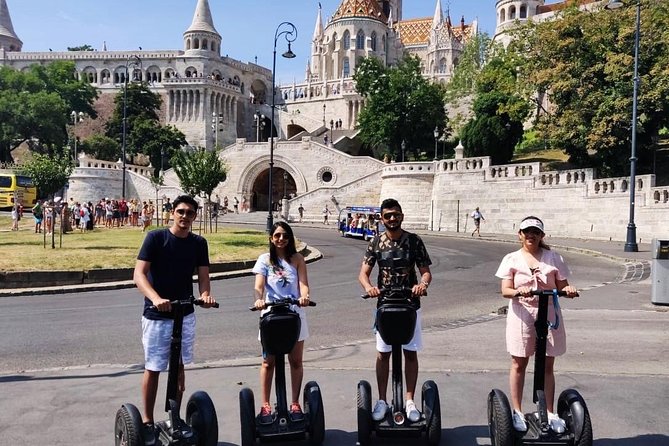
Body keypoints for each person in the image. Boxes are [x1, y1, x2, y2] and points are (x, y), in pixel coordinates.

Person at [133, 195, 217, 446]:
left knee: (178, 367)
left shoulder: (199, 243)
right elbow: (139, 274)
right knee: (154, 367)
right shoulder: (156, 238)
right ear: (172, 212)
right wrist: (156, 298)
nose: (185, 216)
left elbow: (203, 277)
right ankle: (147, 421)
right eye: (181, 211)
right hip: (157, 314)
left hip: (184, 313)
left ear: (195, 217)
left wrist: (204, 296)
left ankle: (175, 417)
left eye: (190, 213)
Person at [494, 216, 578, 434]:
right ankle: (517, 411)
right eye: (527, 231)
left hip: (548, 312)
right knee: (519, 363)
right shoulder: (511, 259)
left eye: (535, 232)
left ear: (542, 236)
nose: (531, 235)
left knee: (547, 365)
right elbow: (505, 290)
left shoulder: (554, 258)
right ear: (520, 234)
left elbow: (563, 286)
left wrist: (568, 290)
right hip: (522, 313)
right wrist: (517, 291)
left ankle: (550, 412)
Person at [358, 198, 432, 423]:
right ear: (381, 218)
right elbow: (363, 273)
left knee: (410, 353)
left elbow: (426, 271)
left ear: (402, 216)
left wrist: (422, 285)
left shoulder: (414, 241)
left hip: (410, 304)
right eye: (387, 215)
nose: (392, 218)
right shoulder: (376, 242)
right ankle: (382, 400)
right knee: (383, 354)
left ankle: (409, 401)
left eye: (395, 215)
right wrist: (370, 288)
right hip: (385, 304)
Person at [252, 222, 311, 424]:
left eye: (285, 235)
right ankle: (266, 405)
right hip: (271, 315)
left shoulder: (297, 259)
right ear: (271, 238)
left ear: (290, 238)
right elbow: (259, 285)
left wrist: (304, 297)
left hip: (294, 312)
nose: (281, 239)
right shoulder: (265, 259)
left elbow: (303, 284)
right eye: (277, 235)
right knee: (269, 362)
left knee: (295, 361)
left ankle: (295, 403)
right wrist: (259, 299)